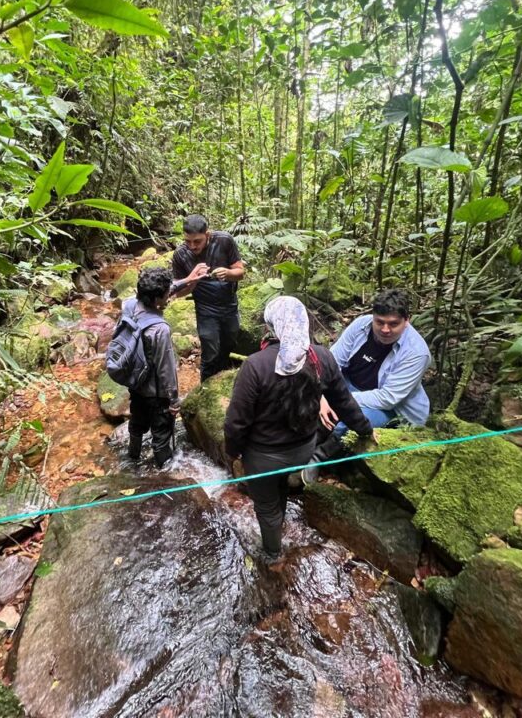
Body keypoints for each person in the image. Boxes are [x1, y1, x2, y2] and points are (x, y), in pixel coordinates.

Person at [223, 296, 370, 563]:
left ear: (273, 326)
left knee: (266, 506)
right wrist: (365, 431)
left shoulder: (256, 365)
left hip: (263, 457)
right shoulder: (322, 357)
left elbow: (236, 422)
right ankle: (280, 519)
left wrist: (231, 453)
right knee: (279, 485)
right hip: (303, 450)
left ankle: (272, 554)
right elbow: (345, 402)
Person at [319, 288, 432, 441]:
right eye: (379, 322)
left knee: (350, 421)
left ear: (406, 321)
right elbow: (331, 363)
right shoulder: (360, 325)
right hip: (349, 386)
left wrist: (338, 399)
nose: (385, 330)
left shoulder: (416, 352)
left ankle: (319, 459)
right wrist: (322, 395)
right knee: (308, 397)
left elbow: (388, 398)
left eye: (393, 324)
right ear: (373, 317)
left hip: (389, 407)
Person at [170, 214, 245, 381]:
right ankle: (205, 387)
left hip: (229, 304)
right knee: (210, 350)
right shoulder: (180, 255)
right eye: (188, 241)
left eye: (197, 241)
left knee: (229, 344)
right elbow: (176, 293)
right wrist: (192, 280)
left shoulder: (224, 241)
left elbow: (240, 272)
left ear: (208, 235)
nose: (192, 246)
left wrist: (228, 273)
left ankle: (223, 379)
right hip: (205, 309)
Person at [125, 267, 180, 468]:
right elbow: (166, 369)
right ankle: (163, 473)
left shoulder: (130, 306)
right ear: (157, 299)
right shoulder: (160, 329)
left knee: (137, 424)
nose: (169, 297)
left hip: (136, 385)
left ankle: (132, 459)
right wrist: (173, 401)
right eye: (167, 294)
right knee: (161, 434)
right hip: (157, 394)